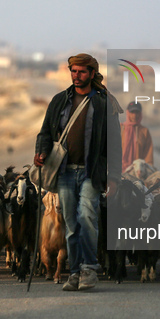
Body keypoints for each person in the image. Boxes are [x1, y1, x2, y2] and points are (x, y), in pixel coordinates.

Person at [34, 53, 122, 291]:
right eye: (73, 71)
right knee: (71, 223)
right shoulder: (59, 100)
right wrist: (41, 152)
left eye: (82, 71)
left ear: (92, 73)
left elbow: (114, 144)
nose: (77, 75)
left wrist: (113, 177)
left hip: (90, 173)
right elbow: (45, 133)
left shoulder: (105, 103)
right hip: (64, 172)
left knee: (87, 217)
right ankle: (74, 273)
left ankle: (89, 270)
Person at [121, 101, 154, 172]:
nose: (134, 115)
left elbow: (148, 155)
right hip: (119, 170)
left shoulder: (144, 131)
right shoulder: (120, 128)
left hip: (138, 172)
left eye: (137, 113)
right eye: (132, 112)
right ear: (127, 113)